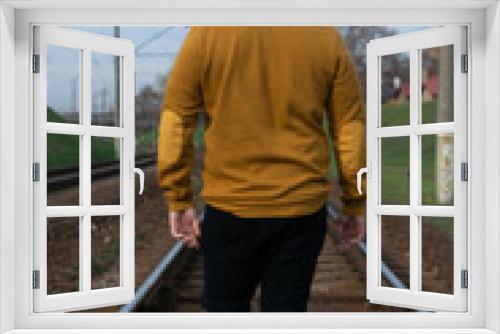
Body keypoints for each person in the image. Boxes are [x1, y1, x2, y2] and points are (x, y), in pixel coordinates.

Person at [157, 26, 366, 312]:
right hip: (300, 211)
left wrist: (178, 196)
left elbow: (176, 120)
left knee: (224, 312)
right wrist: (355, 200)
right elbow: (349, 127)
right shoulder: (324, 36)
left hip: (230, 209)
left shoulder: (206, 33)